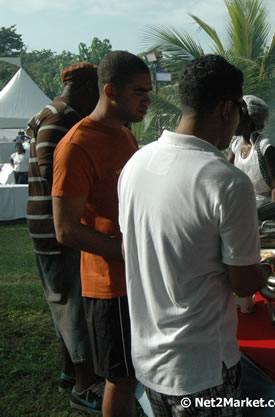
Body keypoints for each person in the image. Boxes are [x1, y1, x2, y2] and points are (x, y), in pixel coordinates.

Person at [118, 54, 275, 417]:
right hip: (201, 369)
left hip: (149, 358)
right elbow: (243, 283)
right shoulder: (225, 180)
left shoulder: (135, 164)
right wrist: (269, 269)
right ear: (227, 109)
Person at [52, 51, 152, 417]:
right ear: (110, 91)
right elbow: (64, 228)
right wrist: (123, 250)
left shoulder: (125, 136)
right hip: (109, 287)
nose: (148, 100)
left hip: (138, 279)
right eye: (139, 91)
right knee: (120, 378)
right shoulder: (76, 145)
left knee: (141, 371)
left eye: (149, 91)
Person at [26, 62, 103, 413]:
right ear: (86, 87)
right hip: (58, 229)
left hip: (46, 226)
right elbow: (54, 173)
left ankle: (70, 372)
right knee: (75, 307)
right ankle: (85, 386)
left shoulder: (50, 113)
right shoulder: (60, 118)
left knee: (64, 303)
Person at [227, 94, 275, 210]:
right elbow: (226, 174)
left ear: (249, 120)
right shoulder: (236, 145)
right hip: (243, 208)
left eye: (238, 117)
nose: (234, 121)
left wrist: (273, 215)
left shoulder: (265, 146)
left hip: (265, 209)